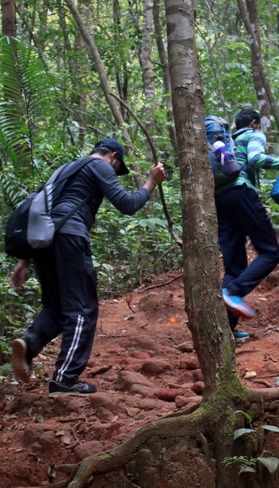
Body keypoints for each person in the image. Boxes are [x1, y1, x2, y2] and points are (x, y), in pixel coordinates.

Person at [9, 139, 166, 395]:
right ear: (113, 157)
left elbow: (39, 209)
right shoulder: (99, 166)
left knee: (57, 307)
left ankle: (29, 342)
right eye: (116, 169)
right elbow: (127, 205)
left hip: (43, 240)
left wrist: (24, 260)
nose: (113, 174)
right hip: (70, 237)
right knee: (82, 309)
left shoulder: (65, 169)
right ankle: (65, 378)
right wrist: (152, 181)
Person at [215, 108, 279, 339]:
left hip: (220, 199)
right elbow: (255, 158)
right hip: (240, 193)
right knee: (271, 252)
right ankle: (234, 292)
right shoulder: (252, 135)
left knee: (234, 266)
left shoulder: (228, 142)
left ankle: (226, 330)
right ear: (254, 123)